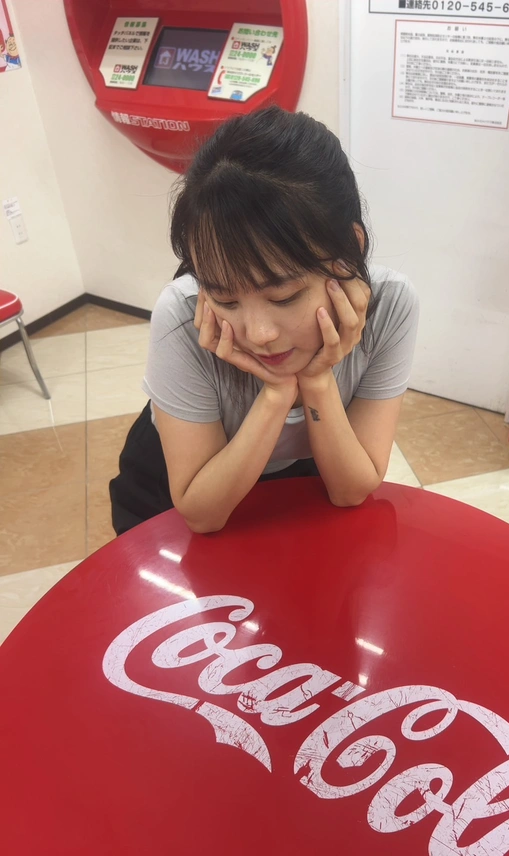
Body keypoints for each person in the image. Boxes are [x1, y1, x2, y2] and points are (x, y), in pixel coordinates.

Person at [109, 106, 419, 535]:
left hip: (305, 474)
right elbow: (202, 515)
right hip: (179, 483)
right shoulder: (182, 314)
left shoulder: (390, 306)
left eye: (284, 296)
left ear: (350, 250)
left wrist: (316, 381)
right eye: (225, 299)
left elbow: (351, 491)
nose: (259, 335)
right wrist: (275, 394)